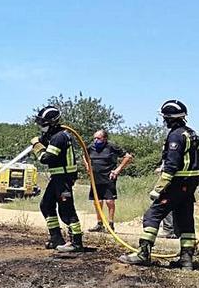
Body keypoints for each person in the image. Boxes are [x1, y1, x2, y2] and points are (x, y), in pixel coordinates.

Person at [119, 100, 199, 270]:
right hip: (190, 185)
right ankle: (186, 260)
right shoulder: (192, 134)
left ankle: (143, 254)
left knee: (152, 215)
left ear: (169, 118)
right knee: (185, 221)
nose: (164, 121)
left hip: (176, 185)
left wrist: (158, 189)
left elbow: (172, 166)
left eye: (165, 118)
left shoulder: (175, 136)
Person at [31, 106, 84, 252]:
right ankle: (56, 237)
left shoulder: (60, 137)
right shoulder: (53, 136)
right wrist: (40, 141)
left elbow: (46, 158)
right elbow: (46, 142)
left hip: (64, 179)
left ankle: (76, 242)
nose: (41, 126)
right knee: (46, 205)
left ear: (52, 122)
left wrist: (37, 146)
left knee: (67, 209)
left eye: (44, 123)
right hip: (57, 178)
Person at [87, 130, 133, 232]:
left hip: (109, 177)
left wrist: (117, 170)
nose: (95, 140)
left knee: (109, 201)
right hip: (95, 178)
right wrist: (87, 167)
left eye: (98, 138)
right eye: (94, 138)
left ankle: (111, 224)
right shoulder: (91, 147)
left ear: (104, 138)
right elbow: (84, 155)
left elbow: (128, 157)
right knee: (97, 201)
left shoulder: (111, 146)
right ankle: (99, 224)